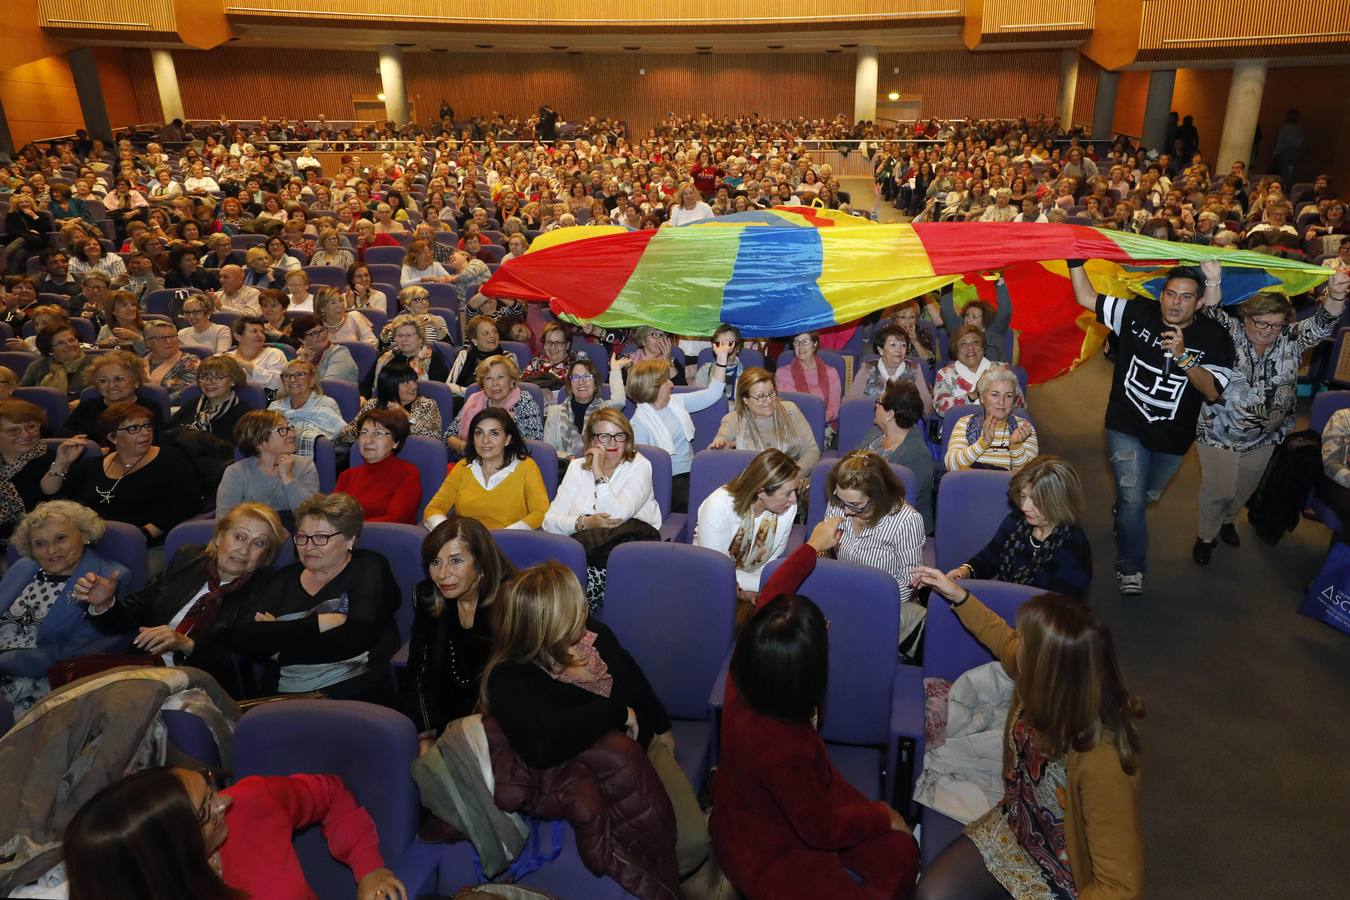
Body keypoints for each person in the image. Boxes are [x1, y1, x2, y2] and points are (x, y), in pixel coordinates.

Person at [711, 523, 920, 900]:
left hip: (774, 803)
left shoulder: (752, 665)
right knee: (899, 856)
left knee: (899, 854)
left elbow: (772, 597)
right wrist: (883, 815)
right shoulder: (786, 746)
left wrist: (811, 547)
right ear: (806, 670)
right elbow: (820, 827)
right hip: (768, 847)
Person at [909, 567, 1144, 900]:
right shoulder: (1045, 678)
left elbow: (1120, 887)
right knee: (930, 895)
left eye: (1027, 644)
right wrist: (957, 596)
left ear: (1050, 671)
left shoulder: (1103, 759)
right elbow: (1002, 638)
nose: (1018, 648)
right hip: (1017, 829)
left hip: (1066, 879)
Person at [481, 560, 711, 878]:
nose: (585, 611)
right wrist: (616, 712)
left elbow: (632, 676)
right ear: (546, 622)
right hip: (596, 777)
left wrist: (661, 726)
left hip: (643, 751)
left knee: (694, 843)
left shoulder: (595, 636)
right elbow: (542, 741)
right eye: (574, 607)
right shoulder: (512, 676)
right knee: (653, 857)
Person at [1068, 259, 1235, 595]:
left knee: (1146, 495)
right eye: (1171, 294)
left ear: (1200, 302)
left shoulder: (1216, 338)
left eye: (1186, 297)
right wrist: (1074, 259)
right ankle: (1131, 567)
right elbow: (1086, 297)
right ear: (1161, 296)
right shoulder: (1135, 314)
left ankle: (1126, 509)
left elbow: (1213, 392)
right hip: (1124, 423)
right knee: (1132, 497)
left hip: (1172, 438)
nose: (1176, 302)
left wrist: (1184, 356)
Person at [64, 767, 407, 900]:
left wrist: (369, 866)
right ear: (167, 856)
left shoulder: (249, 804)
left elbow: (330, 793)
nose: (223, 802)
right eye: (205, 810)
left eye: (210, 786)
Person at [1192, 273, 1347, 563]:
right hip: (1219, 430)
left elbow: (1323, 322)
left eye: (1276, 325)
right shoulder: (1230, 332)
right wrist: (1212, 280)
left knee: (1244, 489)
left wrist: (1336, 295)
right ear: (1246, 317)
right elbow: (1211, 313)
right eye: (1261, 323)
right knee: (1220, 490)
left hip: (1265, 435)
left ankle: (1228, 520)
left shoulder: (1290, 339)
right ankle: (1206, 535)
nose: (1268, 331)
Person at [76, 503, 287, 695]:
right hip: (144, 671)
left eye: (258, 543)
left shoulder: (268, 589)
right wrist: (104, 603)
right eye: (239, 537)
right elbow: (132, 614)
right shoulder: (188, 559)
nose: (244, 550)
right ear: (220, 537)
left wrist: (187, 645)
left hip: (203, 688)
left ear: (266, 555)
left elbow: (241, 665)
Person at [232, 492, 401, 702]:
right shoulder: (284, 578)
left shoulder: (369, 567)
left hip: (351, 693)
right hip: (278, 698)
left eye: (321, 537)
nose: (309, 546)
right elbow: (244, 636)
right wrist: (320, 623)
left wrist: (279, 648)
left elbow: (356, 638)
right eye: (302, 537)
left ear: (350, 539)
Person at [0, 501, 131, 716]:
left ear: (84, 535)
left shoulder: (105, 579)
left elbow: (73, 651)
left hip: (39, 679)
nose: (51, 551)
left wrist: (4, 661)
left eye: (61, 538)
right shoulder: (24, 567)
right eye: (39, 543)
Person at [400, 516, 515, 749]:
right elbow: (418, 673)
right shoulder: (428, 596)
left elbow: (517, 686)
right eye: (435, 562)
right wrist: (426, 735)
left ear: (480, 563)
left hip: (501, 727)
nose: (442, 574)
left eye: (455, 561)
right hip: (445, 720)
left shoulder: (511, 601)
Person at [544, 408, 661, 608]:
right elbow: (549, 521)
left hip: (621, 557)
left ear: (628, 438)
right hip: (579, 553)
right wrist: (584, 522)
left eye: (619, 435)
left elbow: (615, 516)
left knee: (560, 601)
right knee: (541, 593)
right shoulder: (576, 467)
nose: (613, 443)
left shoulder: (640, 466)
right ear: (592, 441)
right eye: (604, 436)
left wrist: (598, 473)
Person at [946, 454, 1094, 602]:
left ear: (1058, 502)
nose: (1024, 507)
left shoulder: (1074, 547)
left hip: (1039, 620)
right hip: (1005, 606)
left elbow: (1058, 611)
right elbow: (990, 557)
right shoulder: (1016, 521)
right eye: (1023, 496)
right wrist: (966, 571)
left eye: (1036, 501)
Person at [48, 403, 198, 545]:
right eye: (134, 428)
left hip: (144, 544)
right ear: (112, 437)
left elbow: (186, 505)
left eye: (147, 425)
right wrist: (62, 463)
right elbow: (57, 499)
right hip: (88, 543)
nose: (145, 432)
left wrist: (144, 534)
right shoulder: (92, 465)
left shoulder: (172, 458)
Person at [822, 451, 927, 645]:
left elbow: (908, 585)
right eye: (841, 501)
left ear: (879, 495)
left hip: (883, 606)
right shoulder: (840, 503)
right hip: (842, 593)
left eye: (856, 505)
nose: (846, 511)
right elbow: (824, 553)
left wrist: (862, 604)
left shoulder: (907, 521)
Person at [629, 339, 732, 512]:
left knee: (730, 492)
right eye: (666, 381)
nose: (671, 384)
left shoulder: (675, 402)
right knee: (715, 505)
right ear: (654, 388)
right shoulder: (639, 424)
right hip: (669, 483)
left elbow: (713, 394)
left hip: (693, 472)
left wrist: (721, 358)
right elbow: (644, 472)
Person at [694, 448, 800, 605]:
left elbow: (770, 560)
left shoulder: (788, 508)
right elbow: (716, 570)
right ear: (761, 491)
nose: (794, 499)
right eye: (788, 493)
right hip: (708, 580)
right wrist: (763, 585)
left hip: (753, 583)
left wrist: (751, 590)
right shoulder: (718, 505)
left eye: (795, 491)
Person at [425, 408, 549, 530]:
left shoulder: (526, 467)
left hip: (510, 542)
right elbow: (433, 508)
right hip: (467, 543)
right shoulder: (463, 467)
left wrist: (509, 534)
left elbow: (540, 512)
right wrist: (449, 533)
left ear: (507, 439)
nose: (485, 440)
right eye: (479, 433)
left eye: (494, 433)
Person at [216, 409, 319, 528]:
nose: (292, 434)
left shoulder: (305, 466)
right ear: (259, 442)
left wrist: (288, 478)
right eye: (282, 430)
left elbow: (310, 516)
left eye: (289, 428)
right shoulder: (236, 473)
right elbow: (224, 523)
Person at [711, 367, 821, 476]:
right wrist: (720, 445)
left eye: (771, 393)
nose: (769, 401)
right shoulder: (733, 421)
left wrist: (794, 476)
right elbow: (719, 445)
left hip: (792, 479)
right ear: (745, 400)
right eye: (760, 396)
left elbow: (811, 450)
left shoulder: (790, 411)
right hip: (753, 484)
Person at [863, 380, 934, 532]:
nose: (875, 406)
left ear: (890, 414)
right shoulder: (875, 433)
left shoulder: (916, 456)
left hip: (898, 529)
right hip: (864, 511)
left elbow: (893, 504)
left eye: (879, 403)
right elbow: (849, 463)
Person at [335, 407, 422, 524]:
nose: (368, 440)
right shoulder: (346, 476)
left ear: (395, 442)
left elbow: (394, 520)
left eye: (378, 433)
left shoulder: (407, 474)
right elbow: (332, 516)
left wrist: (350, 529)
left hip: (385, 540)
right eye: (364, 433)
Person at [944, 367, 1039, 473]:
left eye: (1008, 396)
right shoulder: (965, 423)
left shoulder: (1024, 428)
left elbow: (1028, 475)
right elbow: (951, 466)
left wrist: (1015, 446)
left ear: (1014, 400)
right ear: (982, 397)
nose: (1001, 402)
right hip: (971, 487)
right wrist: (983, 443)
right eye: (995, 395)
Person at [445, 354, 544, 455]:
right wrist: (466, 448)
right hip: (471, 461)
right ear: (482, 385)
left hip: (512, 463)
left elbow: (535, 441)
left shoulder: (524, 401)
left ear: (512, 381)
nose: (495, 383)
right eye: (488, 378)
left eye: (500, 377)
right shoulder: (474, 401)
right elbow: (449, 436)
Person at [542, 355, 629, 461]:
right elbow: (548, 450)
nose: (581, 382)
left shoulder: (603, 411)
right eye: (576, 377)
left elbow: (619, 401)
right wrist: (570, 458)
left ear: (596, 384)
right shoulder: (554, 412)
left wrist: (615, 369)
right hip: (563, 469)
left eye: (587, 377)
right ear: (570, 384)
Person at [338, 360, 442, 445]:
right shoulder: (373, 405)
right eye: (406, 383)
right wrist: (367, 427)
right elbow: (345, 435)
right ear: (390, 385)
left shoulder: (427, 405)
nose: (413, 386)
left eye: (414, 381)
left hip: (415, 458)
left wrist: (407, 417)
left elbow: (434, 437)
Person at [931, 325, 1025, 420]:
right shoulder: (945, 374)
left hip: (1001, 426)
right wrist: (973, 395)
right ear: (956, 350)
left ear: (983, 348)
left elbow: (1020, 404)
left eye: (975, 342)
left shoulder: (1003, 369)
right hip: (959, 429)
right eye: (963, 343)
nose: (970, 347)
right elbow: (941, 408)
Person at [63, 350, 159, 439]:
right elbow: (65, 433)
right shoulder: (87, 406)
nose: (111, 385)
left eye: (119, 379)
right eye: (103, 381)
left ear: (136, 381)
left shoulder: (150, 408)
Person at [848, 325, 935, 415]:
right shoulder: (868, 368)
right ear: (881, 350)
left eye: (903, 345)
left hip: (905, 423)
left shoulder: (914, 369)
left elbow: (927, 406)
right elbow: (850, 402)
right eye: (893, 345)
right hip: (870, 421)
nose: (899, 350)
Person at [0, 400, 50, 549]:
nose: (26, 435)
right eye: (13, 430)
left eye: (31, 427)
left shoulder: (57, 462)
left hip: (35, 546)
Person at [268, 359, 344, 456]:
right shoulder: (275, 407)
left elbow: (330, 439)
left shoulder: (326, 404)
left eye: (299, 375)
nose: (292, 380)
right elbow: (266, 437)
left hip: (314, 459)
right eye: (287, 376)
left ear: (312, 380)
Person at [168, 355, 251, 444]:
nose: (209, 382)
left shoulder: (244, 415)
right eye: (203, 377)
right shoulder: (193, 404)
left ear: (233, 380)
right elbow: (168, 431)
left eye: (217, 377)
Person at [776, 332, 842, 436]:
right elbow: (782, 407)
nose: (800, 347)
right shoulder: (782, 373)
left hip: (822, 428)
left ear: (815, 344)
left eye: (805, 342)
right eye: (796, 342)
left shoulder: (831, 373)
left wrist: (816, 418)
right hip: (791, 429)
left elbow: (834, 409)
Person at [21, 323, 96, 401]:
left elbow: (103, 392)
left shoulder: (96, 363)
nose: (69, 345)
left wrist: (82, 401)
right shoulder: (37, 366)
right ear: (49, 349)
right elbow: (23, 394)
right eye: (61, 343)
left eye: (72, 340)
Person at [370, 314, 449, 388]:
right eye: (400, 335)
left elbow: (439, 391)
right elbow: (366, 387)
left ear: (420, 338)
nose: (404, 340)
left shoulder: (433, 358)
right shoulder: (385, 357)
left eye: (409, 335)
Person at [446, 315, 506, 397]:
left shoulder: (507, 357)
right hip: (467, 403)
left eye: (494, 332)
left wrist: (471, 393)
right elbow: (449, 386)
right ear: (474, 340)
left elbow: (511, 388)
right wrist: (470, 392)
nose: (492, 336)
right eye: (486, 333)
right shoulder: (464, 355)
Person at [227, 315, 288, 395]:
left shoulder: (274, 354)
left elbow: (278, 384)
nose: (260, 335)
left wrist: (246, 365)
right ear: (238, 336)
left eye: (262, 332)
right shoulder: (225, 358)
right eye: (254, 331)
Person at [142, 320, 198, 404]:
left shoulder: (190, 362)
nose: (169, 341)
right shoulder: (138, 364)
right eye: (161, 338)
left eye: (172, 336)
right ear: (147, 343)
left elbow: (186, 394)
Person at [293, 313, 360, 383]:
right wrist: (302, 359)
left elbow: (325, 387)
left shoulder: (340, 353)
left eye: (322, 330)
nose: (322, 335)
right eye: (315, 333)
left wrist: (306, 364)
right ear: (301, 339)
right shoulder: (301, 355)